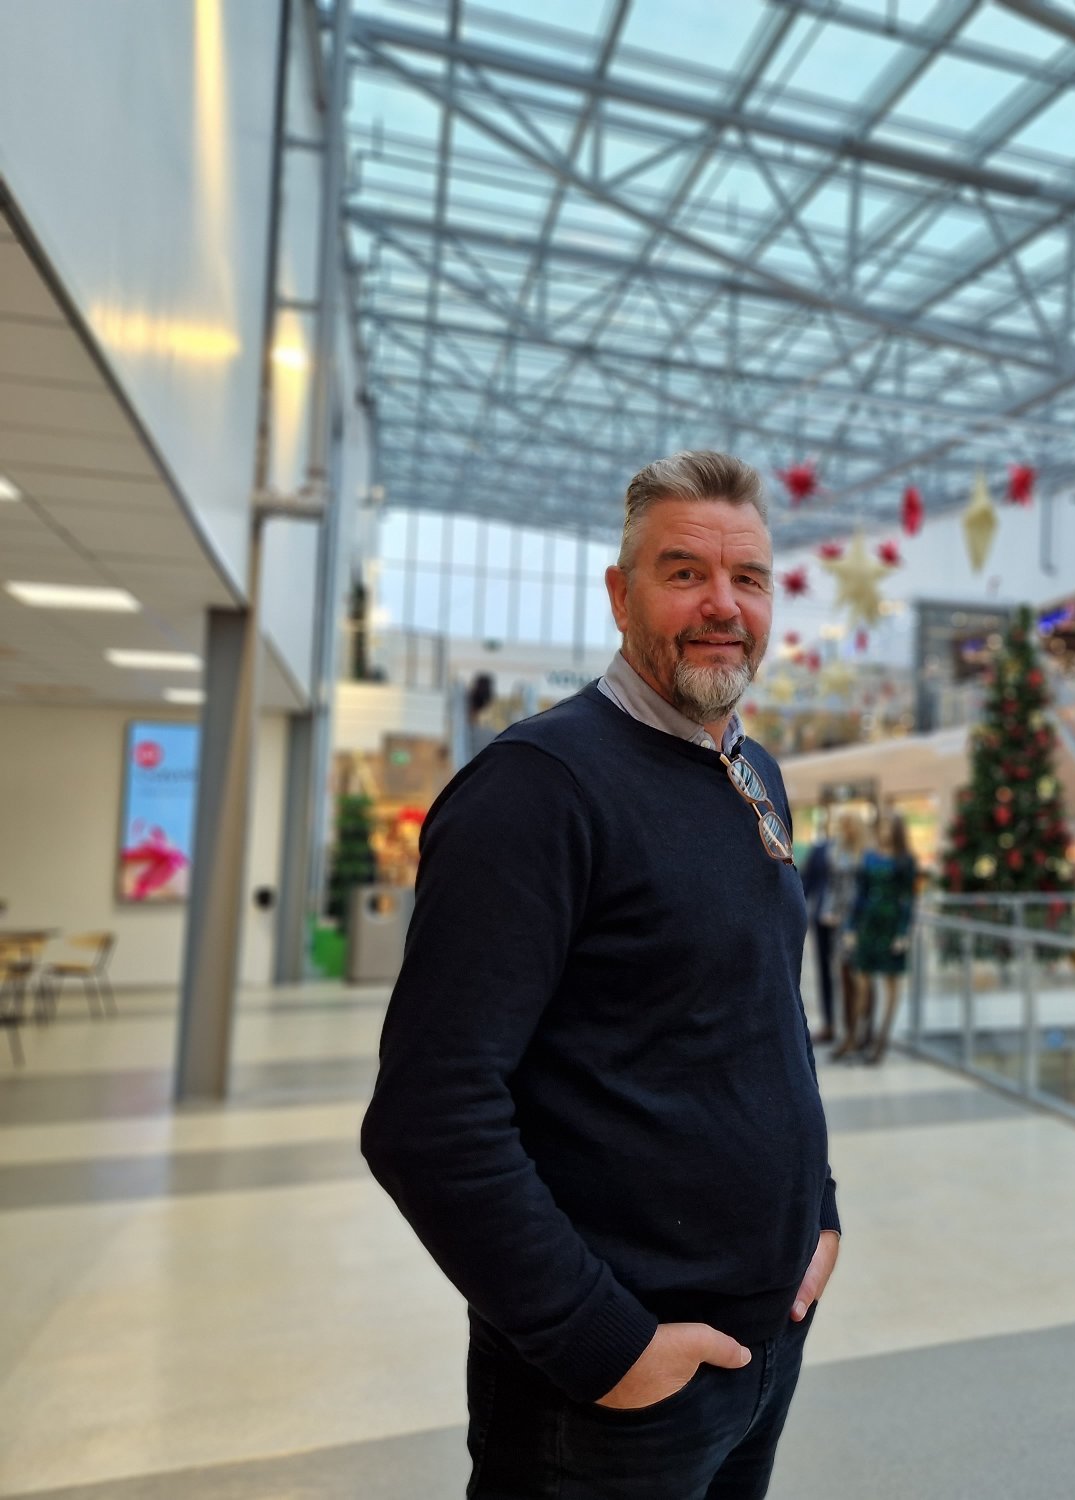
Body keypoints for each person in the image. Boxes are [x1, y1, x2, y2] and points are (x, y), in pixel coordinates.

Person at [361, 451, 840, 1500]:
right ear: (620, 597)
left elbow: (761, 1015)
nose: (723, 606)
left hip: (762, 1347)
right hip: (610, 1396)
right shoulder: (537, 788)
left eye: (749, 578)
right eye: (685, 573)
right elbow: (428, 1116)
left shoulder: (751, 770)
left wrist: (820, 1211)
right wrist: (603, 1344)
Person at [844, 813, 918, 1066]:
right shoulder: (869, 857)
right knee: (862, 984)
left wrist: (903, 933)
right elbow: (860, 894)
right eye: (882, 825)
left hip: (891, 925)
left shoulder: (905, 861)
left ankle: (881, 1043)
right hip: (869, 924)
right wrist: (851, 927)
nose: (885, 830)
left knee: (892, 986)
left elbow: (908, 899)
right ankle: (856, 1038)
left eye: (889, 826)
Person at [824, 812, 871, 1060]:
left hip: (862, 922)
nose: (846, 830)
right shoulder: (837, 851)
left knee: (863, 980)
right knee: (844, 977)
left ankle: (864, 1034)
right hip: (841, 922)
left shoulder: (867, 853)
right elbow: (833, 886)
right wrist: (830, 911)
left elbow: (869, 891)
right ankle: (849, 1034)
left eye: (848, 825)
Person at [798, 819, 836, 1044]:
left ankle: (854, 1028)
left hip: (846, 923)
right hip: (822, 918)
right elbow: (806, 882)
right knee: (825, 973)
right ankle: (830, 1023)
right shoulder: (819, 849)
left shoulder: (859, 850)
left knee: (851, 977)